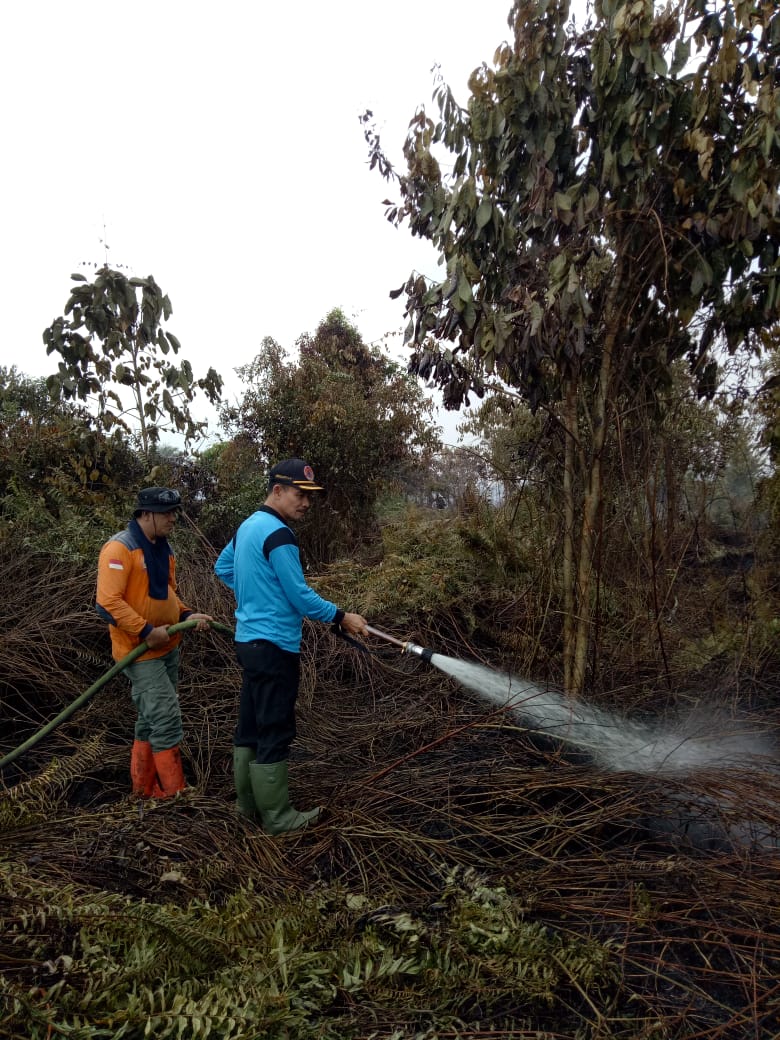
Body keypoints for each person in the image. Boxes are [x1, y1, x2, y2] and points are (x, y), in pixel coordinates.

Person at [215, 458, 368, 834]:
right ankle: (279, 818)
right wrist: (342, 616)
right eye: (300, 495)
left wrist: (256, 595)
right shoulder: (280, 535)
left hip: (248, 642)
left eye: (310, 497)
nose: (306, 504)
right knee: (276, 728)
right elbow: (301, 597)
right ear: (278, 490)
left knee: (250, 724)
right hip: (275, 646)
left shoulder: (248, 526)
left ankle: (247, 808)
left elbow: (223, 568)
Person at [96, 487, 212, 798]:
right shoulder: (119, 549)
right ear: (145, 514)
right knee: (165, 718)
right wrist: (146, 631)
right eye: (166, 513)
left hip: (167, 647)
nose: (173, 518)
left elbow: (166, 594)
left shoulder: (164, 549)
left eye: (174, 512)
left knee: (149, 720)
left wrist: (187, 613)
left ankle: (143, 791)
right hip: (139, 651)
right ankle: (177, 796)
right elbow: (107, 603)